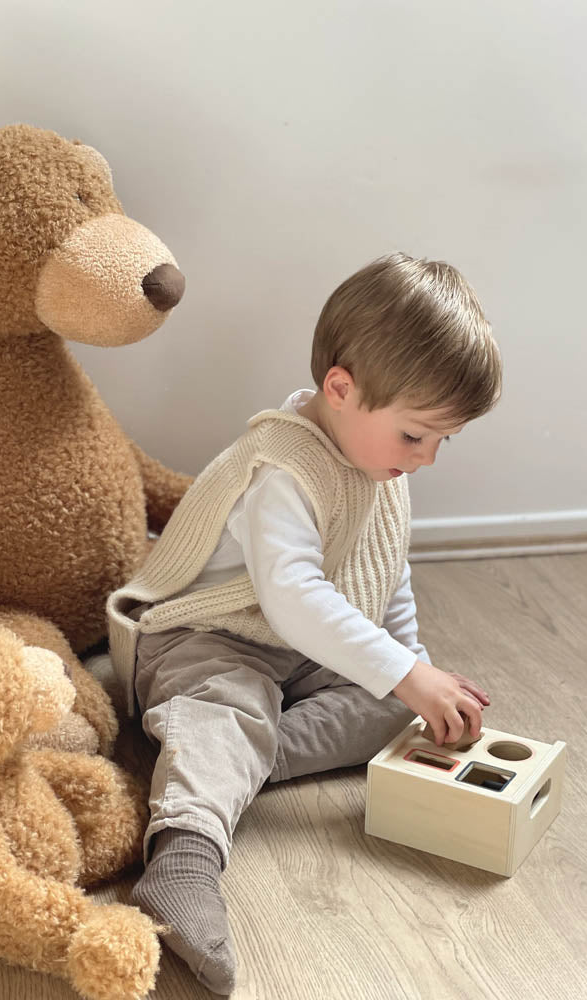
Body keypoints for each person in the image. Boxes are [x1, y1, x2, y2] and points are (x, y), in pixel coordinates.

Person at [107, 252, 501, 994]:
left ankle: (234, 758)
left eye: (443, 440)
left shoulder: (379, 463)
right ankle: (184, 860)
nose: (427, 458)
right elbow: (291, 596)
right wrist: (405, 672)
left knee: (393, 708)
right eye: (416, 435)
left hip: (295, 649)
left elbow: (386, 571)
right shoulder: (282, 467)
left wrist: (410, 667)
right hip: (205, 636)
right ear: (341, 390)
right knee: (230, 704)